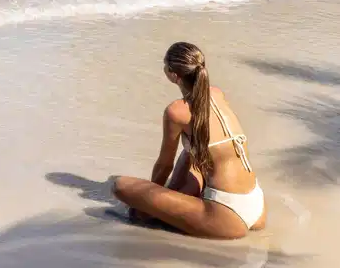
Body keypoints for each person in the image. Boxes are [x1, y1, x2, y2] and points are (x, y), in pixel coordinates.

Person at [110, 41, 266, 239]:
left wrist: (147, 202)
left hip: (227, 215)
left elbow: (164, 166)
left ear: (173, 75)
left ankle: (160, 214)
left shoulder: (177, 111)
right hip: (256, 204)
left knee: (120, 186)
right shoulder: (216, 94)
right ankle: (182, 200)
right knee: (189, 152)